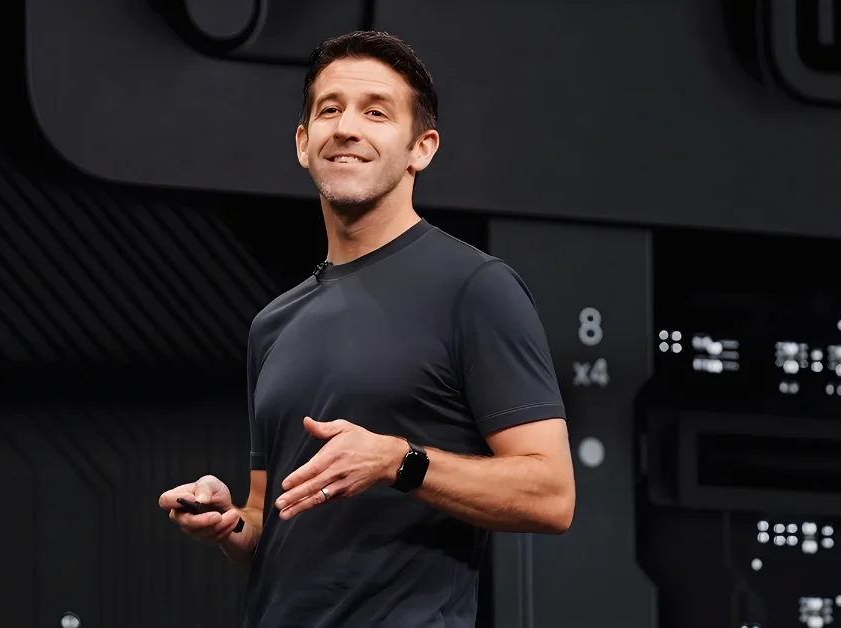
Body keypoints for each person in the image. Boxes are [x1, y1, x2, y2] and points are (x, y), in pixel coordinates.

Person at [158, 30, 576, 628]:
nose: (347, 127)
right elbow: (266, 522)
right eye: (329, 110)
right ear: (304, 143)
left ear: (421, 148)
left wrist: (398, 462)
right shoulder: (273, 324)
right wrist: (229, 524)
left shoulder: (475, 288)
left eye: (376, 112)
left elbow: (552, 495)